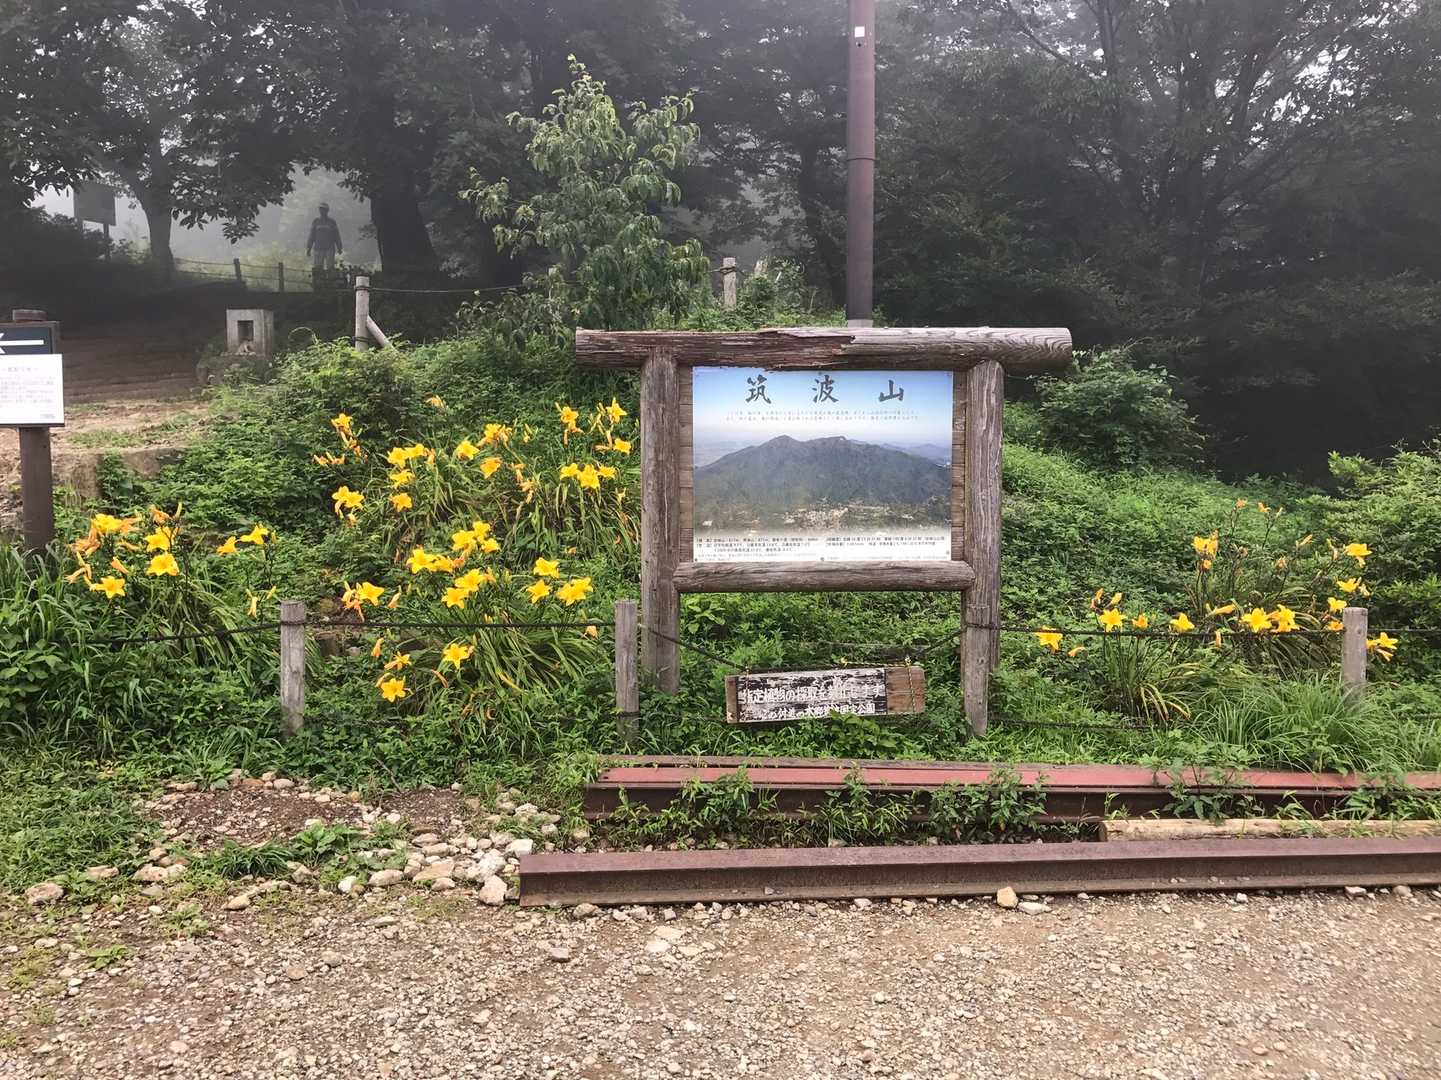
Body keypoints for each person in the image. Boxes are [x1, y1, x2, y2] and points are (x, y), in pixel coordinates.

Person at [307, 203, 343, 271]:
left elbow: (336, 235)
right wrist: (309, 248)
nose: (322, 211)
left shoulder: (332, 222)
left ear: (327, 210)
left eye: (324, 209)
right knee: (318, 268)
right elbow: (312, 235)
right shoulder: (316, 221)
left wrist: (339, 247)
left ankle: (330, 278)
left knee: (330, 268)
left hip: (330, 248)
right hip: (318, 248)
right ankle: (319, 278)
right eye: (320, 209)